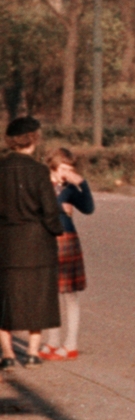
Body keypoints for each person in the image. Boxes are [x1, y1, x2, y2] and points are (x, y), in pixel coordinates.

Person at [0, 117, 63, 369]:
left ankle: (7, 354)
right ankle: (33, 353)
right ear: (33, 139)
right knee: (38, 299)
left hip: (6, 243)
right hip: (37, 244)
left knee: (5, 299)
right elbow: (50, 211)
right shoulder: (39, 171)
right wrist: (57, 229)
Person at [40, 148, 94, 360]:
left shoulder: (71, 189)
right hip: (44, 239)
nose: (67, 173)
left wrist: (81, 183)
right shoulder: (42, 184)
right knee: (49, 292)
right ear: (53, 166)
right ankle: (52, 341)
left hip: (65, 240)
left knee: (69, 293)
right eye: (63, 168)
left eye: (70, 169)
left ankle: (70, 343)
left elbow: (88, 208)